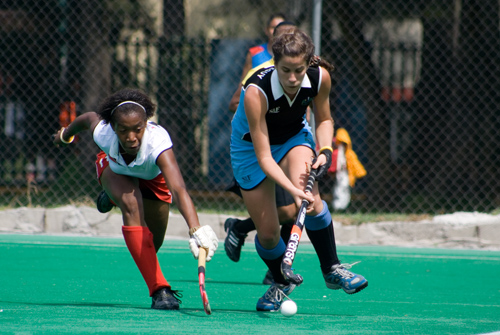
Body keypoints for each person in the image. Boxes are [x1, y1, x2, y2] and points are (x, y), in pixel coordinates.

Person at [230, 27, 368, 312]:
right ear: (273, 63)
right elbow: (265, 157)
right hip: (251, 150)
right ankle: (281, 282)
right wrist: (293, 190)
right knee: (267, 234)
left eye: (299, 70)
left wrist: (326, 150)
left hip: (294, 138)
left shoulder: (319, 77)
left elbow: (324, 119)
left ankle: (332, 269)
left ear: (309, 63)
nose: (293, 78)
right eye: (285, 70)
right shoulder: (256, 91)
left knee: (313, 202)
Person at [52, 88, 219, 310]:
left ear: (146, 125)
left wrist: (195, 229)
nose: (131, 138)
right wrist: (65, 135)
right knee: (131, 204)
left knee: (152, 244)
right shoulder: (104, 132)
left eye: (137, 130)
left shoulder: (158, 143)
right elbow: (88, 118)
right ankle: (160, 290)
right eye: (124, 130)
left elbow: (178, 188)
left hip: (153, 180)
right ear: (113, 128)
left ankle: (111, 198)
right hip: (115, 169)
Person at [224, 20, 297, 285]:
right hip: (264, 150)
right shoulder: (260, 69)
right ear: (273, 38)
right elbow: (236, 101)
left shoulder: (303, 72)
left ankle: (277, 271)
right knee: (288, 212)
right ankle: (243, 230)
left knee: (297, 209)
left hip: (290, 145)